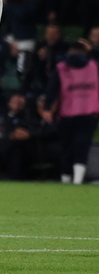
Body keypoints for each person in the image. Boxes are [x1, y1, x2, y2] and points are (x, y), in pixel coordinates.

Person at [41, 42, 99, 185]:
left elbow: (51, 89)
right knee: (82, 146)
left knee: (67, 147)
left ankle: (65, 178)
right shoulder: (94, 65)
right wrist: (93, 50)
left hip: (67, 112)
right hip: (89, 112)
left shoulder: (61, 67)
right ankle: (78, 180)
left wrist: (48, 107)